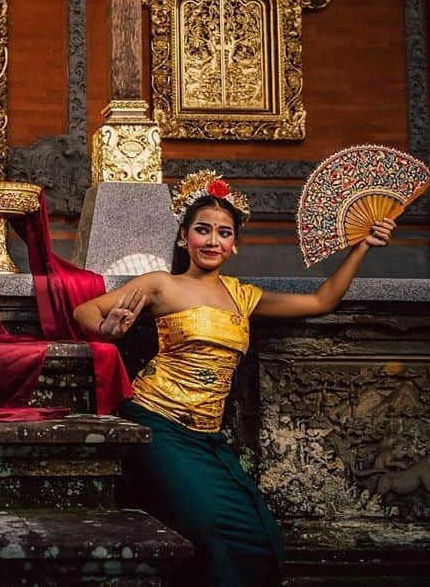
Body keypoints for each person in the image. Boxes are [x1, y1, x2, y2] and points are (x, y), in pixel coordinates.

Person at [71, 170, 395, 587]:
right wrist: (108, 330)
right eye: (202, 230)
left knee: (261, 537)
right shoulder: (161, 285)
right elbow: (85, 311)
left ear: (234, 243)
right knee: (210, 531)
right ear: (184, 236)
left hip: (208, 438)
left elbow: (322, 300)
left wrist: (362, 247)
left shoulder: (242, 296)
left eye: (223, 233)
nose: (212, 241)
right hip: (157, 425)